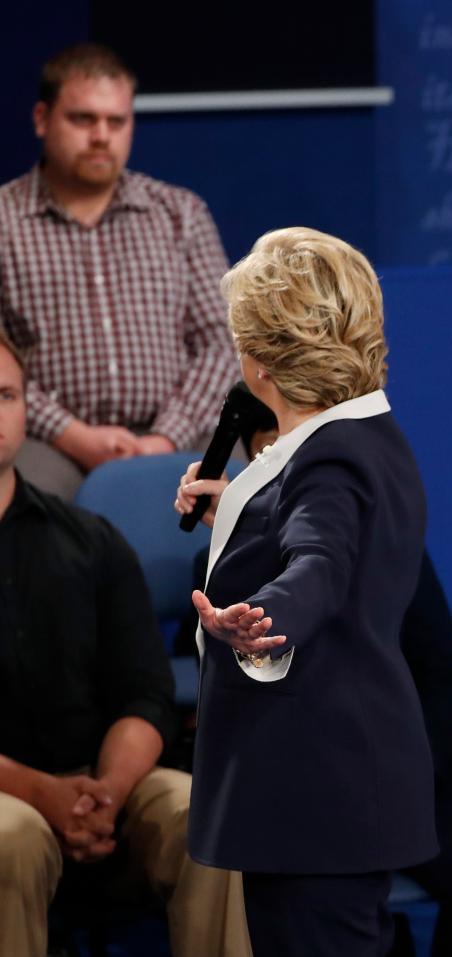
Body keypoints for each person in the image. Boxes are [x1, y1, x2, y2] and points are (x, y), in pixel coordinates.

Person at [175, 389, 452, 955]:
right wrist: (239, 528)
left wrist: (409, 771)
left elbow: (436, 662)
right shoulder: (222, 558)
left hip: (403, 771)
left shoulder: (364, 513)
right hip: (297, 788)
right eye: (267, 459)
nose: (282, 471)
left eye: (286, 456)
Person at [176, 226, 437, 955]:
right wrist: (239, 506)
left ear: (259, 361)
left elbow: (318, 566)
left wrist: (262, 618)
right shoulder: (366, 437)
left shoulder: (327, 462)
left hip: (314, 794)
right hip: (339, 790)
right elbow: (319, 536)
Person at [0, 330, 248, 957]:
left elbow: (145, 693)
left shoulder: (90, 542)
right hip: (11, 802)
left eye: (4, 395)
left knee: (207, 815)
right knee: (13, 838)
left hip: (101, 783)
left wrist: (106, 792)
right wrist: (45, 795)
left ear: (25, 407)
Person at [0, 43, 237, 500]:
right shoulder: (5, 221)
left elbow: (221, 342)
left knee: (250, 497)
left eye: (117, 121)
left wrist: (166, 436)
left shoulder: (179, 213)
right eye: (83, 119)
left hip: (179, 433)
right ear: (41, 119)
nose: (101, 136)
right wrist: (73, 435)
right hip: (48, 442)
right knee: (27, 507)